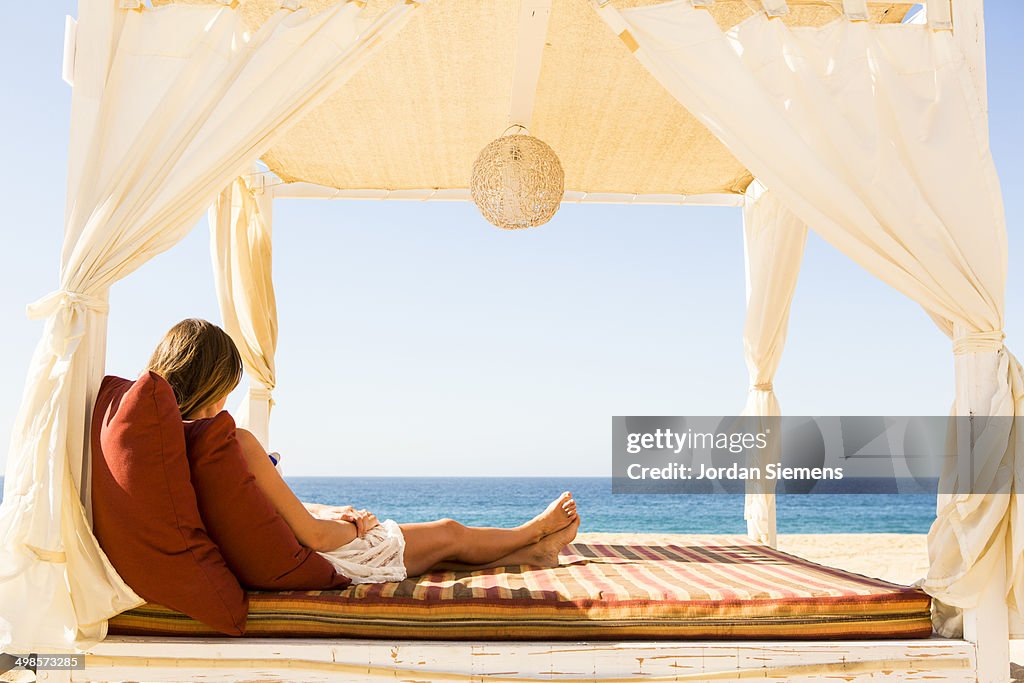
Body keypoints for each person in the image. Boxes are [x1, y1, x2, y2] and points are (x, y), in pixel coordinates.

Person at [146, 318, 580, 584]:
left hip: (275, 551)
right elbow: (314, 538)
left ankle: (530, 554)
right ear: (220, 383)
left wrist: (324, 512)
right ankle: (531, 533)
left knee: (433, 554)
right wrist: (355, 528)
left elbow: (254, 507)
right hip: (321, 555)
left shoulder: (165, 443)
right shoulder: (231, 441)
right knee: (448, 532)